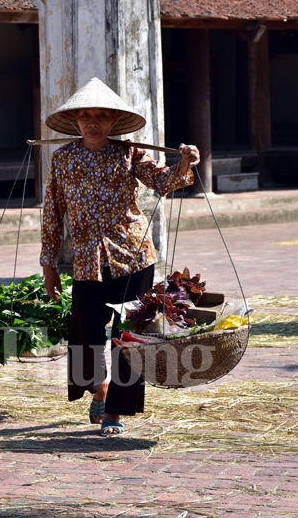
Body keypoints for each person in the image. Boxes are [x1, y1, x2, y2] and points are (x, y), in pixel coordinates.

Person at [40, 78, 200, 436]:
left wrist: (186, 163)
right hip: (86, 262)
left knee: (128, 336)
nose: (93, 122)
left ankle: (116, 412)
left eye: (101, 116)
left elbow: (163, 182)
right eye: (86, 116)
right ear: (76, 121)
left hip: (133, 257)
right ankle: (99, 388)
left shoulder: (129, 154)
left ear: (113, 122)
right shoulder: (63, 159)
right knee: (84, 336)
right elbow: (52, 213)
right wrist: (48, 265)